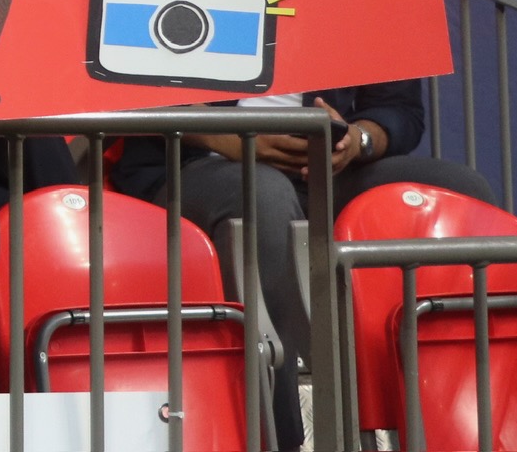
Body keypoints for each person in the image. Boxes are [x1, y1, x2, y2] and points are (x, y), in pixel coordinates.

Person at [112, 83, 493, 452]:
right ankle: (281, 439)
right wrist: (219, 133)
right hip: (197, 163)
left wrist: (355, 140)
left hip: (327, 171)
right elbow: (118, 89)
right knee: (264, 194)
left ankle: (468, 427)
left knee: (460, 189)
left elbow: (399, 110)